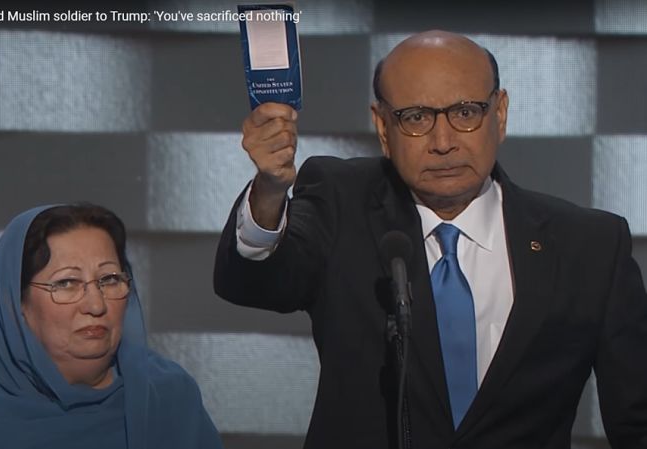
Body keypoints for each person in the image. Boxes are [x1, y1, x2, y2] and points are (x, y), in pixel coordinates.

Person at [213, 30, 647, 449]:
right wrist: (270, 190)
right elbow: (256, 281)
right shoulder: (341, 202)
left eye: (465, 112)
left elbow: (637, 420)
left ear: (499, 114)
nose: (443, 142)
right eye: (416, 117)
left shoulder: (590, 246)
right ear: (383, 128)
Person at [0, 203, 223, 449]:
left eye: (109, 279)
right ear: (16, 304)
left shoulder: (168, 395)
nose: (96, 306)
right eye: (66, 283)